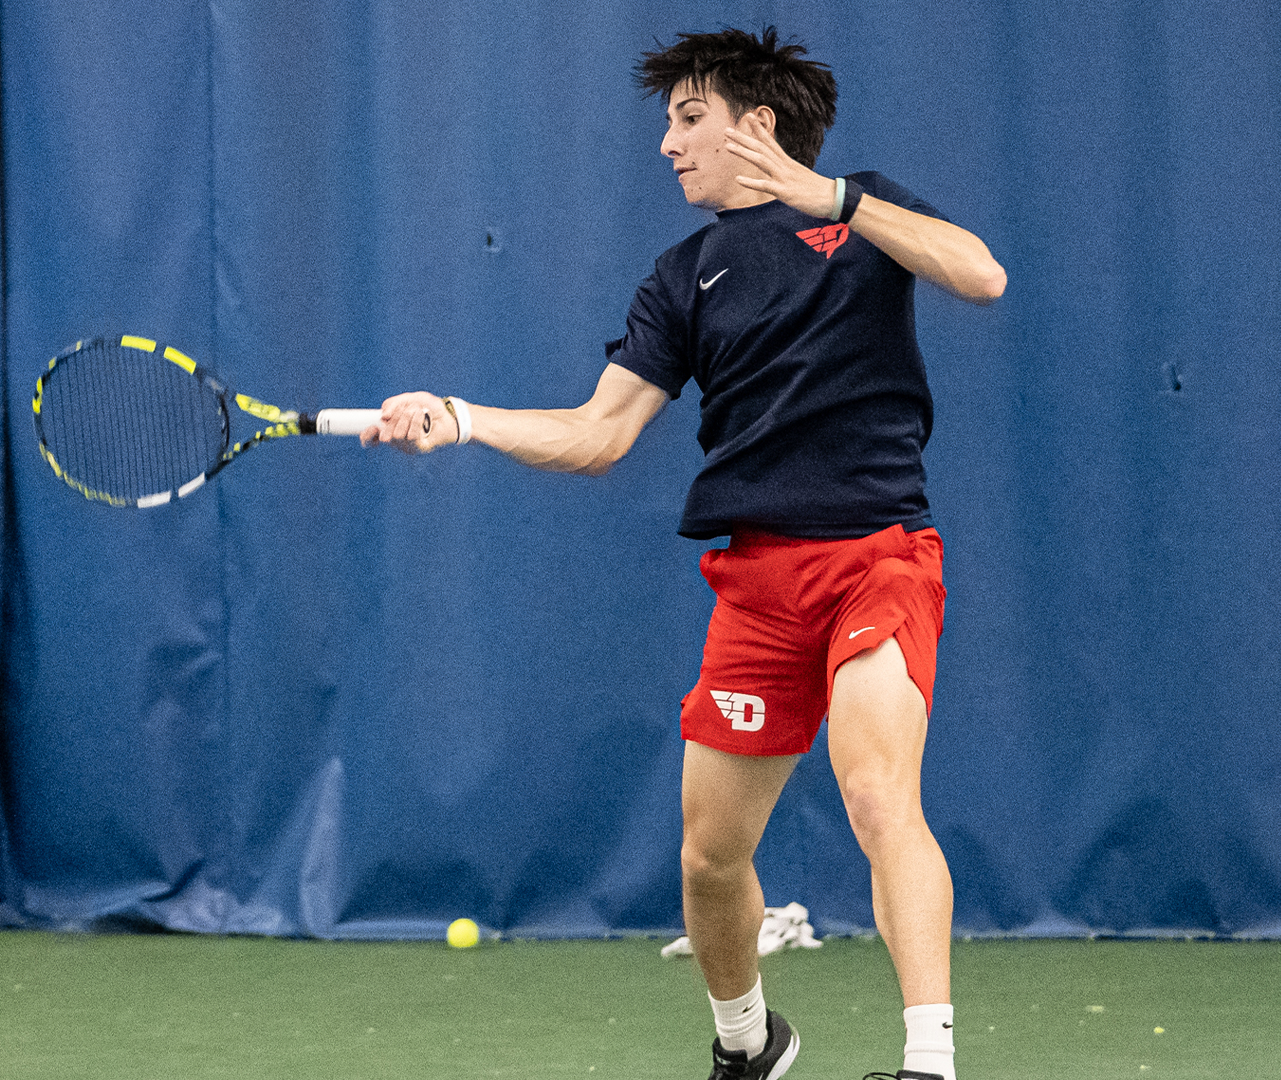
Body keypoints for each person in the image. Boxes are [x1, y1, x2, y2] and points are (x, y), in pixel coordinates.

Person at [362, 26, 1005, 1080]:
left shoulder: (867, 212)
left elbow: (981, 275)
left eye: (689, 118)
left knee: (878, 794)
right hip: (758, 586)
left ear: (758, 126)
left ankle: (929, 1063)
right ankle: (749, 1043)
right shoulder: (683, 277)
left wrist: (833, 198)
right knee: (710, 858)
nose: (667, 144)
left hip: (879, 558)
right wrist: (463, 417)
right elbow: (598, 433)